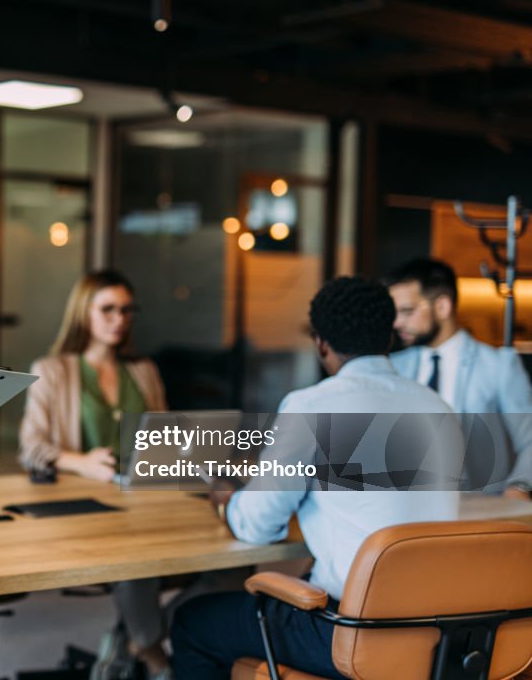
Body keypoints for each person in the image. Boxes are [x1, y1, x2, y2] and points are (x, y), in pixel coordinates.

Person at [170, 277, 460, 680]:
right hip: (438, 634)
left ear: (321, 343)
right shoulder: (440, 408)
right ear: (389, 337)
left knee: (193, 621)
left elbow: (256, 525)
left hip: (352, 633)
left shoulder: (313, 406)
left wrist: (226, 498)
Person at [19, 270, 171, 680]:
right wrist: (80, 461)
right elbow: (30, 448)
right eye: (107, 309)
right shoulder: (53, 370)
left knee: (232, 559)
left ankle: (139, 636)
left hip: (146, 499)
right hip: (87, 509)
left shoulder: (144, 371)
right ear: (84, 313)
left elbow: (166, 440)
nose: (119, 319)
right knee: (136, 555)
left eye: (125, 310)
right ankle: (152, 650)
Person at [385, 258, 532, 499]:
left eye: (407, 311)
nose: (397, 322)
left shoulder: (499, 366)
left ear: (442, 306)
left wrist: (519, 487)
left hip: (478, 516)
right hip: (407, 514)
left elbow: (530, 441)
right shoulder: (392, 367)